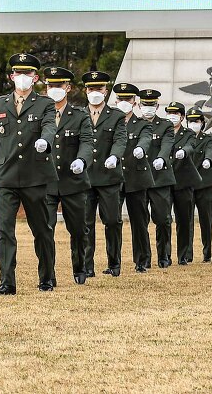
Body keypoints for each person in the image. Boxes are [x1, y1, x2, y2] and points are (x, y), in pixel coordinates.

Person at [0, 53, 57, 294]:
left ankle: (47, 277)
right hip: (5, 176)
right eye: (18, 73)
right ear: (12, 76)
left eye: (28, 74)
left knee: (42, 229)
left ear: (35, 78)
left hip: (35, 176)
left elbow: (49, 126)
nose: (22, 78)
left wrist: (45, 141)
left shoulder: (45, 104)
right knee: (5, 230)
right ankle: (7, 282)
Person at [41, 66, 93, 285]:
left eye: (59, 85)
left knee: (79, 229)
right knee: (45, 230)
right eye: (51, 85)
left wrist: (82, 160)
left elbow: (87, 142)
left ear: (68, 88)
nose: (55, 89)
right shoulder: (38, 113)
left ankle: (80, 268)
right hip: (46, 181)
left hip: (73, 181)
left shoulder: (80, 115)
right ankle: (47, 275)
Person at [79, 70, 127, 279]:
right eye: (91, 89)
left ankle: (114, 263)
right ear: (85, 91)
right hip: (86, 178)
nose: (95, 92)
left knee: (112, 221)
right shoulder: (78, 115)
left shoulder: (116, 116)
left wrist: (115, 156)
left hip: (109, 178)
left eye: (99, 88)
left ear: (106, 91)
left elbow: (120, 140)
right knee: (85, 223)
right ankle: (87, 266)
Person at [117, 83, 156, 273]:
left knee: (139, 221)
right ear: (116, 101)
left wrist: (141, 148)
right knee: (112, 221)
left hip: (136, 177)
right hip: (113, 177)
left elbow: (146, 138)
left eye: (128, 99)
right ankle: (113, 262)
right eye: (121, 99)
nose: (125, 102)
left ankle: (142, 260)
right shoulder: (110, 122)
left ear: (134, 102)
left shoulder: (142, 124)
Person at [140, 88, 176, 269]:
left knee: (162, 219)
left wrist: (162, 158)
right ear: (139, 105)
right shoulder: (134, 124)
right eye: (145, 104)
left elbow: (167, 143)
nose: (148, 108)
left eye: (151, 105)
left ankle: (164, 255)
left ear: (157, 105)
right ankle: (144, 258)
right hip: (139, 178)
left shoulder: (165, 125)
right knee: (140, 221)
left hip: (160, 178)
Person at [169, 102, 205, 266]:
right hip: (165, 180)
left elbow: (191, 146)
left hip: (183, 182)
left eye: (176, 113)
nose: (172, 116)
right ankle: (164, 255)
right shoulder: (163, 131)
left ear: (182, 117)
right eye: (170, 113)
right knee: (163, 219)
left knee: (184, 220)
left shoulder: (188, 133)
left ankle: (183, 255)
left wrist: (184, 151)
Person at [191, 108, 212, 263]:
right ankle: (186, 254)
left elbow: (210, 150)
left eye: (197, 121)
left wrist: (208, 160)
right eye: (191, 121)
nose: (194, 124)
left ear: (202, 123)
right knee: (186, 221)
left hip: (204, 183)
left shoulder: (208, 138)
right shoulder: (183, 138)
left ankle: (207, 253)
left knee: (206, 220)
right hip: (186, 183)